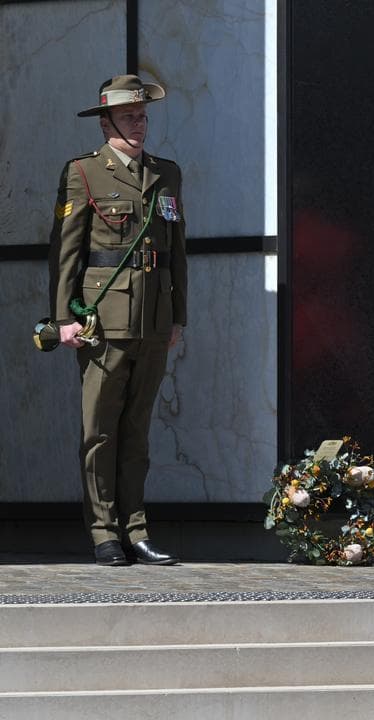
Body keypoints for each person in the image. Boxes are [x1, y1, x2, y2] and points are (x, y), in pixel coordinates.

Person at [48, 75, 187, 566]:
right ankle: (104, 531)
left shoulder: (166, 174)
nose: (139, 124)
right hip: (102, 324)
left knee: (137, 433)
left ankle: (137, 529)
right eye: (129, 116)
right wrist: (63, 317)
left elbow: (177, 254)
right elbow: (67, 253)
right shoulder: (85, 173)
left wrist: (179, 317)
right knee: (100, 431)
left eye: (143, 116)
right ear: (105, 121)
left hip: (153, 321)